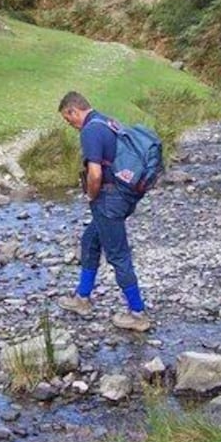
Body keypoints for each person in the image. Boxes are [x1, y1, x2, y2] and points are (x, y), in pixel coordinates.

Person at [56, 91, 151, 332]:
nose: (71, 126)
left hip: (109, 200)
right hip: (124, 195)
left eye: (69, 120)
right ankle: (82, 298)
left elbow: (95, 173)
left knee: (118, 255)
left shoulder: (90, 131)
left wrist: (91, 196)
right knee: (90, 240)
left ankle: (138, 314)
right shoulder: (107, 121)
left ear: (73, 111)